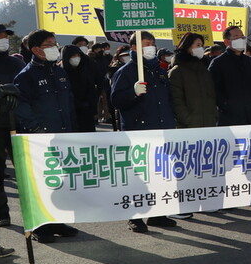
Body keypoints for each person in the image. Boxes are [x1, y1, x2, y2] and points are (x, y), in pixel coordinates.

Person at [13, 29, 80, 243]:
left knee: (59, 182)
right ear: (35, 49)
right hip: (39, 138)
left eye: (55, 43)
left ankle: (57, 221)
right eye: (49, 44)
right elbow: (21, 107)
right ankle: (40, 227)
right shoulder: (26, 76)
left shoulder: (59, 72)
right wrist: (37, 130)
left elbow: (68, 102)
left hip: (62, 135)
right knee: (40, 183)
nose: (55, 47)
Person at [112, 31, 181, 232]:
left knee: (160, 174)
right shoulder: (125, 72)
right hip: (138, 130)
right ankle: (135, 216)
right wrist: (132, 93)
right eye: (146, 43)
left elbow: (168, 99)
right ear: (133, 48)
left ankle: (158, 214)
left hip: (162, 129)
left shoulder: (158, 71)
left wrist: (172, 120)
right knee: (138, 177)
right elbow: (116, 101)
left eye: (152, 43)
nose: (151, 46)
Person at [0, 22, 25, 228]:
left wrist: (16, 91)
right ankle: (2, 214)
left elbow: (27, 88)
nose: (3, 41)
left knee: (26, 173)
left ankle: (36, 216)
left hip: (17, 124)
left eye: (5, 36)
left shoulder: (16, 64)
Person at [209, 26, 251, 126]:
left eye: (242, 37)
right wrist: (226, 106)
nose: (241, 39)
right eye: (236, 37)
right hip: (229, 118)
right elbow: (213, 89)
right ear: (226, 42)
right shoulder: (218, 63)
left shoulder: (250, 62)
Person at [169, 32, 218, 129]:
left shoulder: (205, 71)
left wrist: (215, 116)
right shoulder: (177, 71)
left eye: (202, 46)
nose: (201, 49)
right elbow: (176, 100)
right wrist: (188, 120)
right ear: (187, 47)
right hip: (189, 127)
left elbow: (211, 97)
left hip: (209, 124)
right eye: (198, 45)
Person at [62, 44, 104, 132]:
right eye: (73, 56)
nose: (76, 58)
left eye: (78, 55)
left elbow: (98, 84)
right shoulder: (61, 72)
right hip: (69, 111)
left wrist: (92, 101)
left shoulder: (87, 68)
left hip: (87, 110)